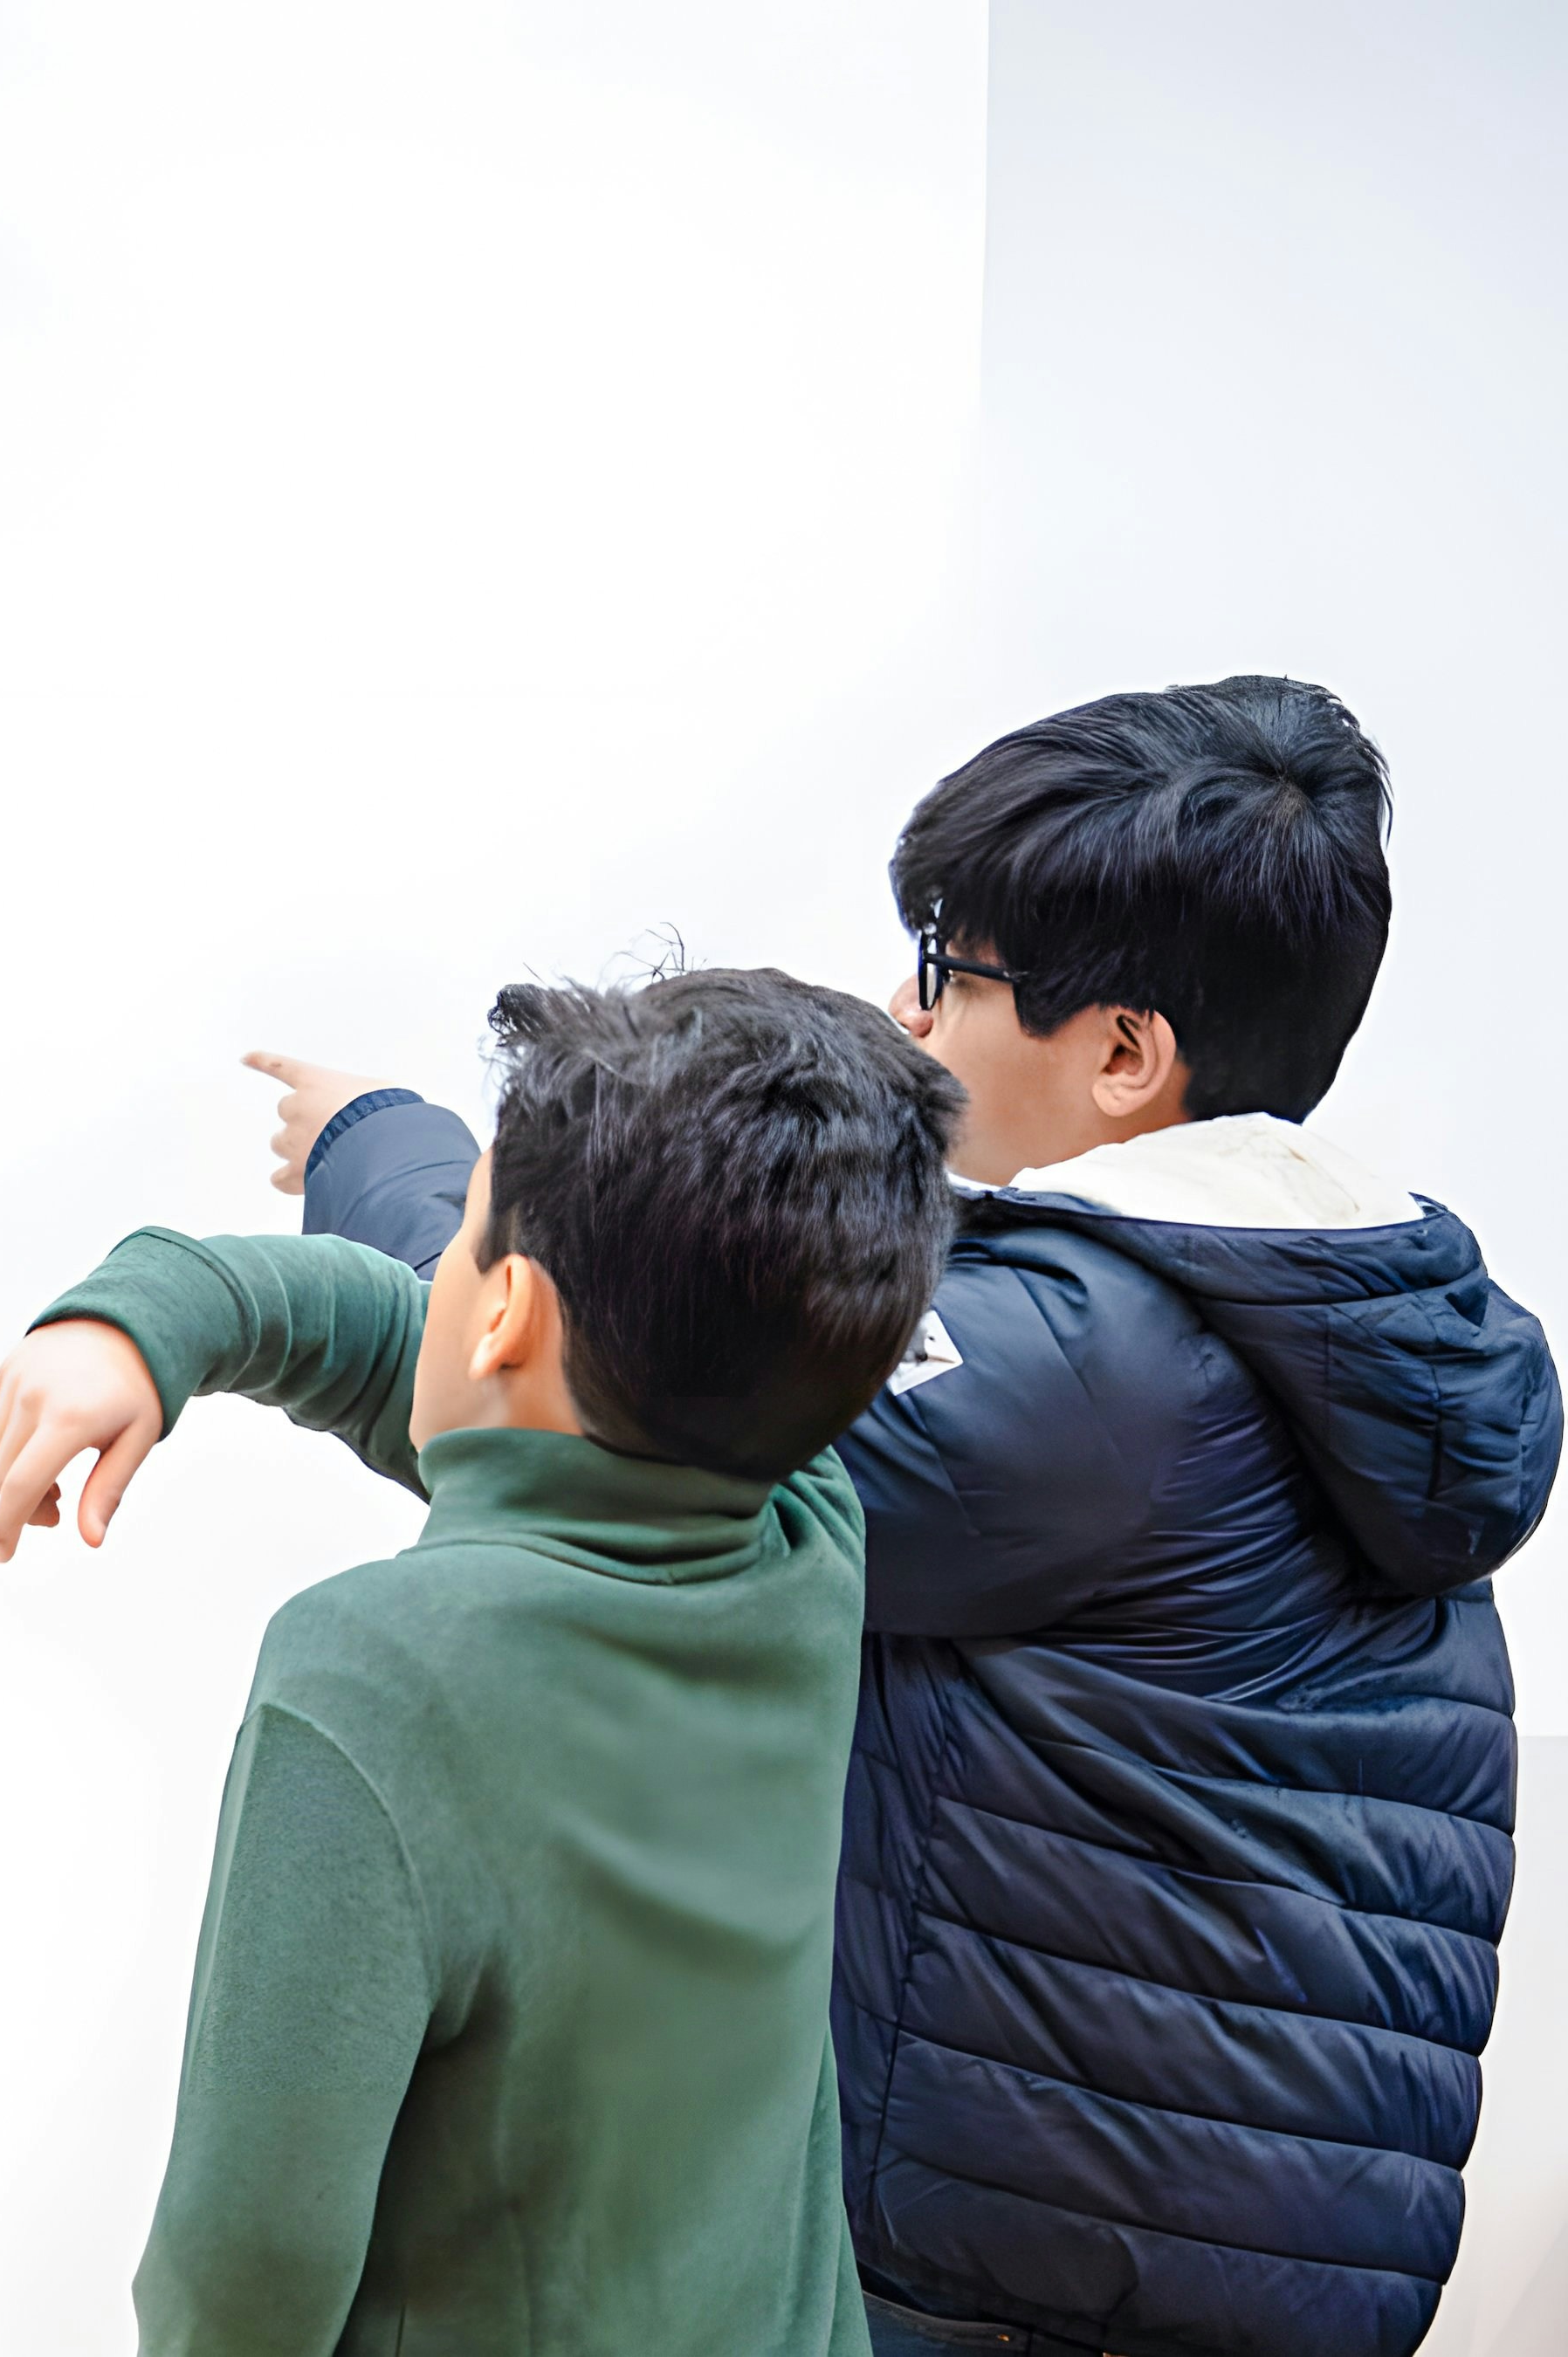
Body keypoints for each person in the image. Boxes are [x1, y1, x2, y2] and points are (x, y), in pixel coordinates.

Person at [246, 678, 1559, 2357]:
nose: (905, 1012)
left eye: (951, 973)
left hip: (1007, 2303)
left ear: (1125, 1055)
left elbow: (588, 1378)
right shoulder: (1326, 1319)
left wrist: (385, 1157)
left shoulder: (1090, 1369)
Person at [0, 966, 964, 2355]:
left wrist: (156, 1295)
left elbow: (248, 2265)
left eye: (456, 1247)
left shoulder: (376, 1679)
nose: (428, 1275)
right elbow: (468, 1392)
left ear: (502, 1314)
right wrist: (168, 1310)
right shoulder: (807, 1532)